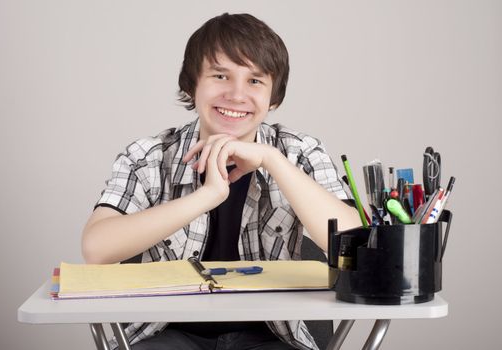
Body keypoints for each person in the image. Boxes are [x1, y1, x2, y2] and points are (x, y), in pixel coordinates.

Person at [82, 12, 360, 350]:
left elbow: (355, 244)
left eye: (255, 81)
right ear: (191, 84)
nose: (236, 95)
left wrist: (272, 160)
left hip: (272, 336)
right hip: (168, 335)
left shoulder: (300, 152)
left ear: (274, 97)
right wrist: (208, 195)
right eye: (220, 76)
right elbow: (96, 249)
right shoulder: (148, 156)